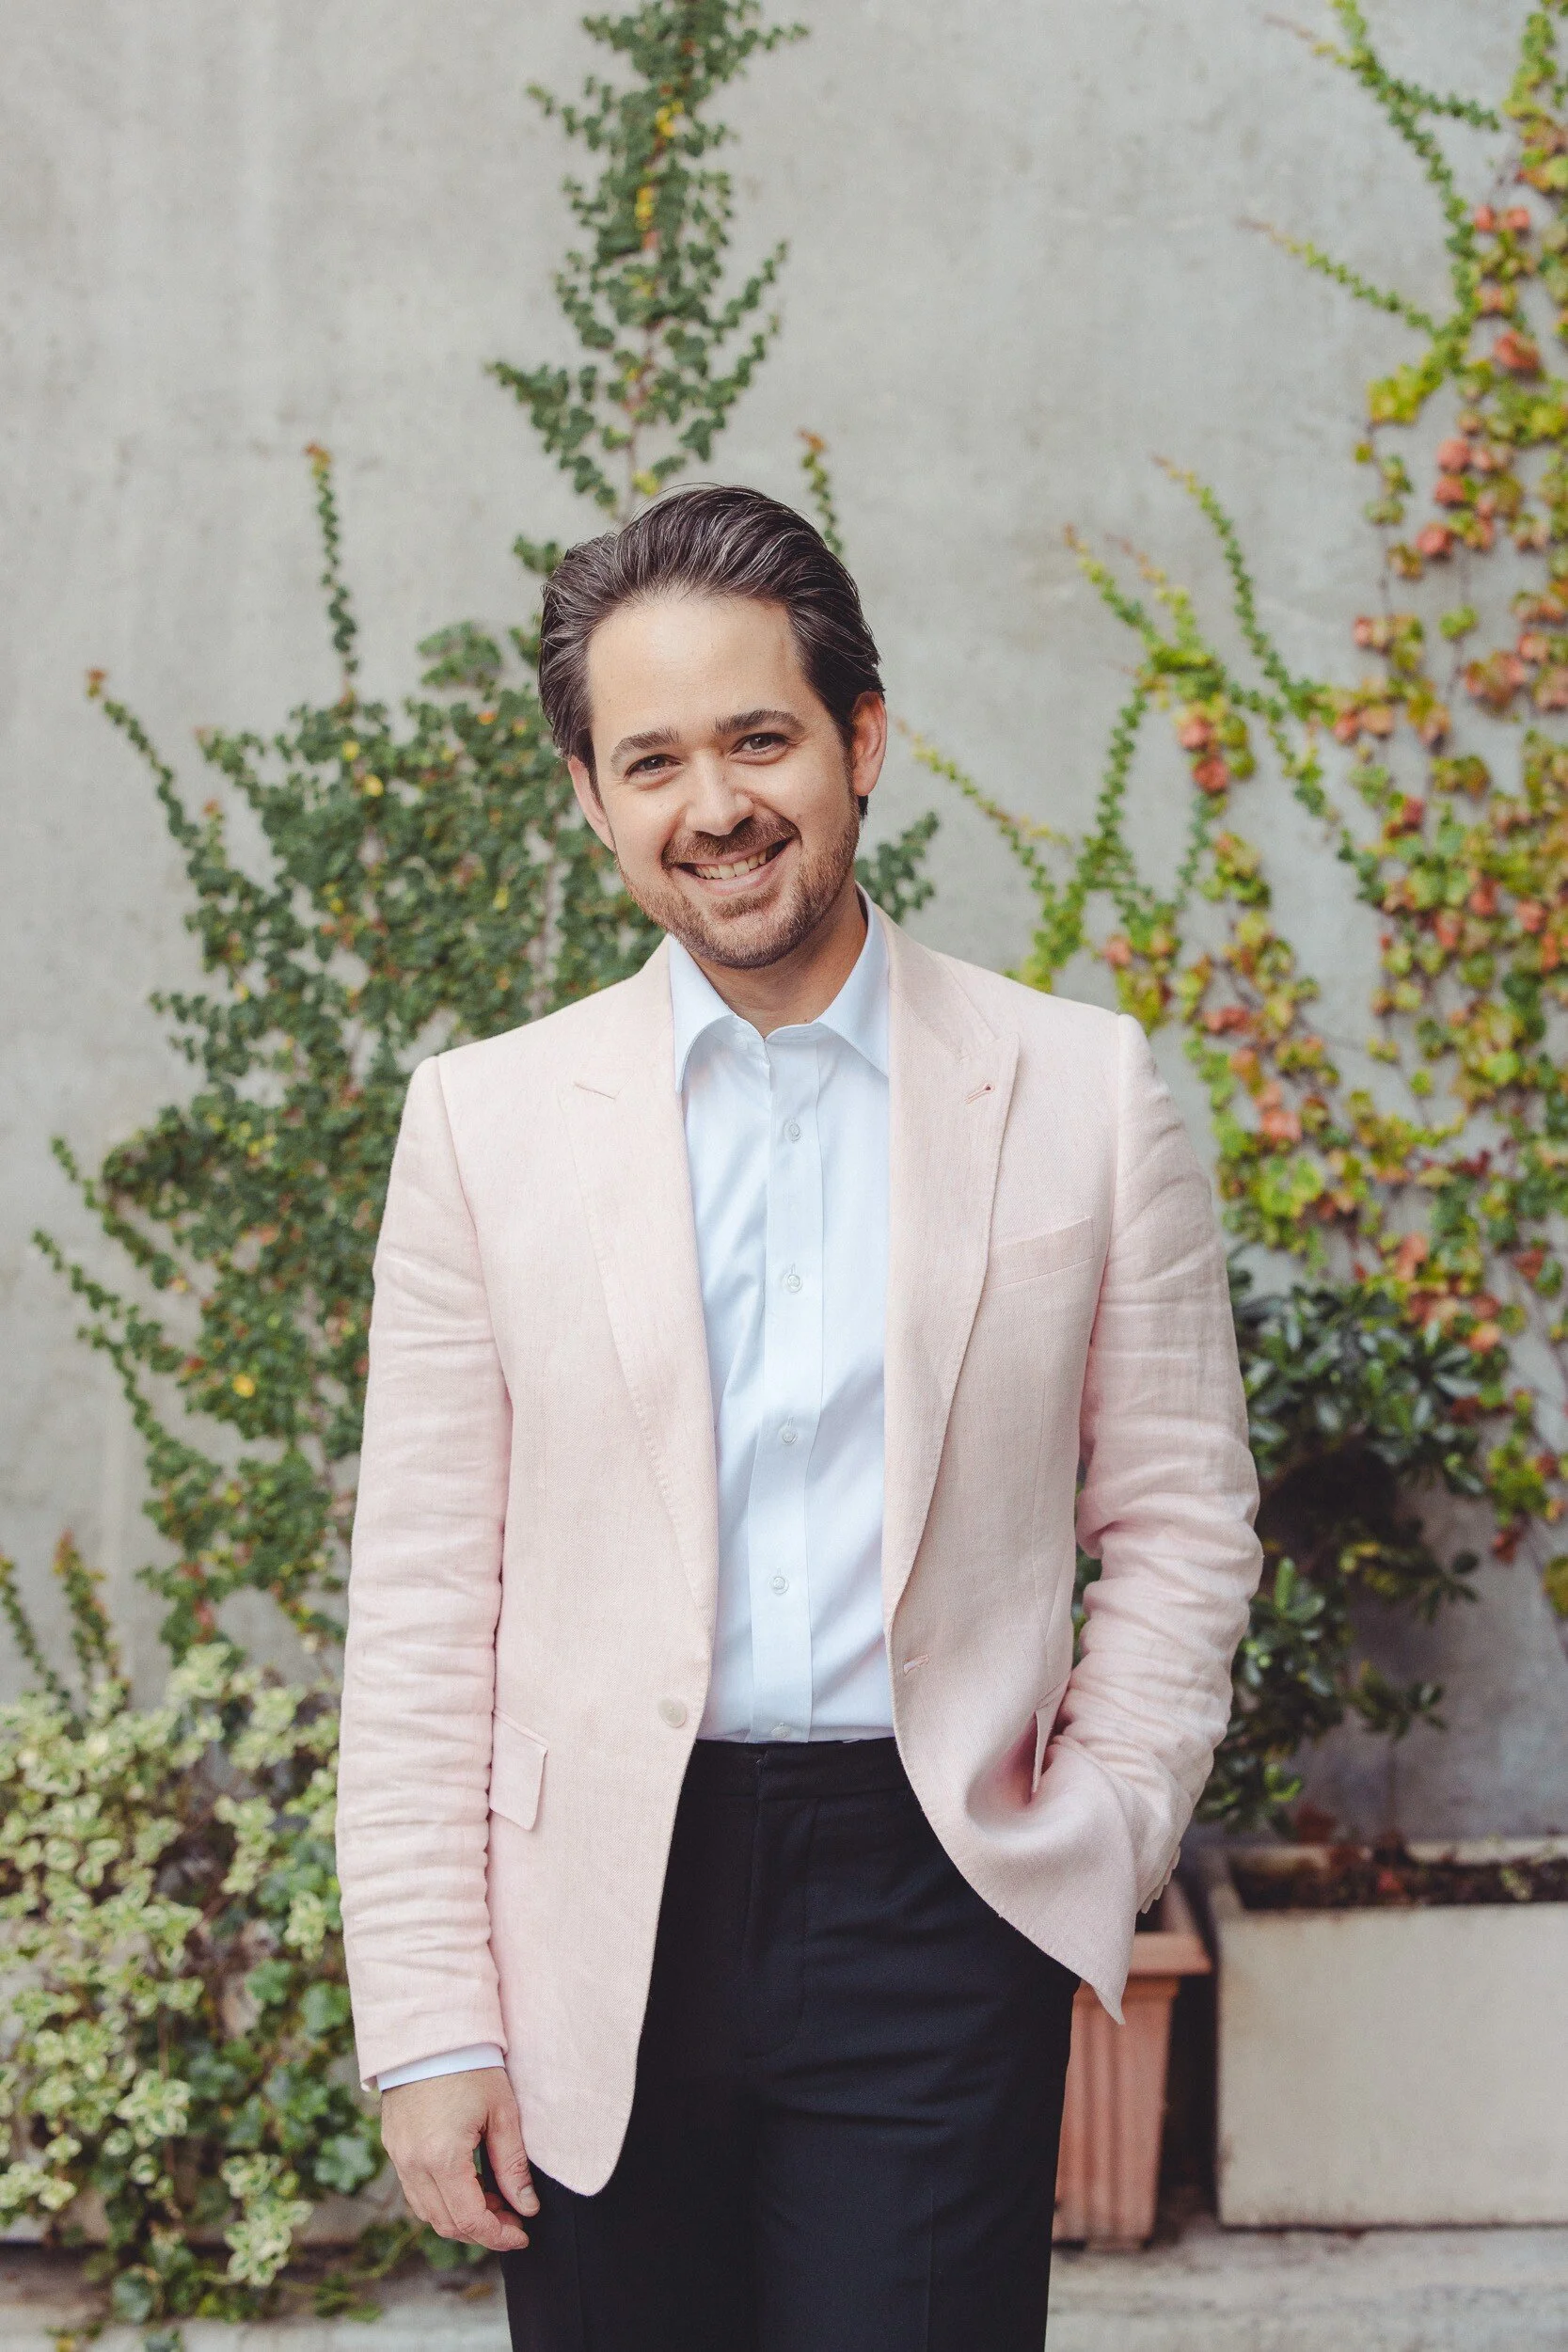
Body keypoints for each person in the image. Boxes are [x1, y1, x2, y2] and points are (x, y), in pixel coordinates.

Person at [335, 484, 1262, 2351]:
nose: (714, 805)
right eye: (650, 757)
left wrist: (1098, 1823)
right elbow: (427, 1597)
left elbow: (1177, 1514)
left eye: (757, 736)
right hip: (591, 1906)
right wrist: (432, 2019)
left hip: (929, 1891)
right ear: (591, 797)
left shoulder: (1076, 1091)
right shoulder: (483, 1125)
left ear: (859, 739)